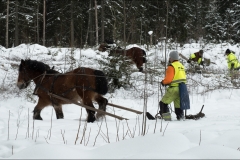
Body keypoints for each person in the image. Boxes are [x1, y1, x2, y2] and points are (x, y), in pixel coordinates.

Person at [159, 51, 187, 121]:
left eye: (170, 57)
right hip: (182, 89)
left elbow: (168, 80)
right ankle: (181, 118)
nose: (169, 58)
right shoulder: (181, 66)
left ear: (171, 58)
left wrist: (163, 82)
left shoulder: (171, 66)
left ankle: (167, 119)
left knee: (163, 103)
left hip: (174, 89)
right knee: (178, 106)